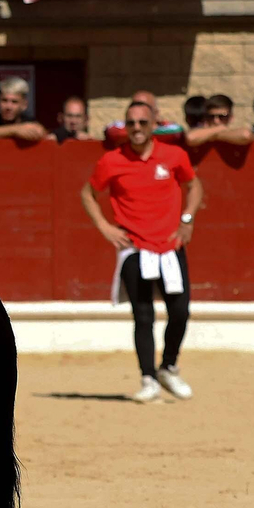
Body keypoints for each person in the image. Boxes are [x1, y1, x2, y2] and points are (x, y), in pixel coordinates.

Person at [81, 100, 202, 403]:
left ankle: (168, 367)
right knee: (143, 314)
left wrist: (187, 218)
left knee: (180, 311)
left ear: (153, 125)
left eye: (142, 123)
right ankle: (148, 378)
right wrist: (105, 228)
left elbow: (195, 186)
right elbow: (87, 193)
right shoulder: (112, 160)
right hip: (134, 245)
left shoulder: (173, 155)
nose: (136, 128)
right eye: (131, 123)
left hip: (170, 243)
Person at [0, 76, 46, 140]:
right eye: (4, 100)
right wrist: (15, 130)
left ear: (24, 105)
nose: (8, 107)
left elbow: (40, 132)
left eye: (14, 102)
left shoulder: (27, 120)